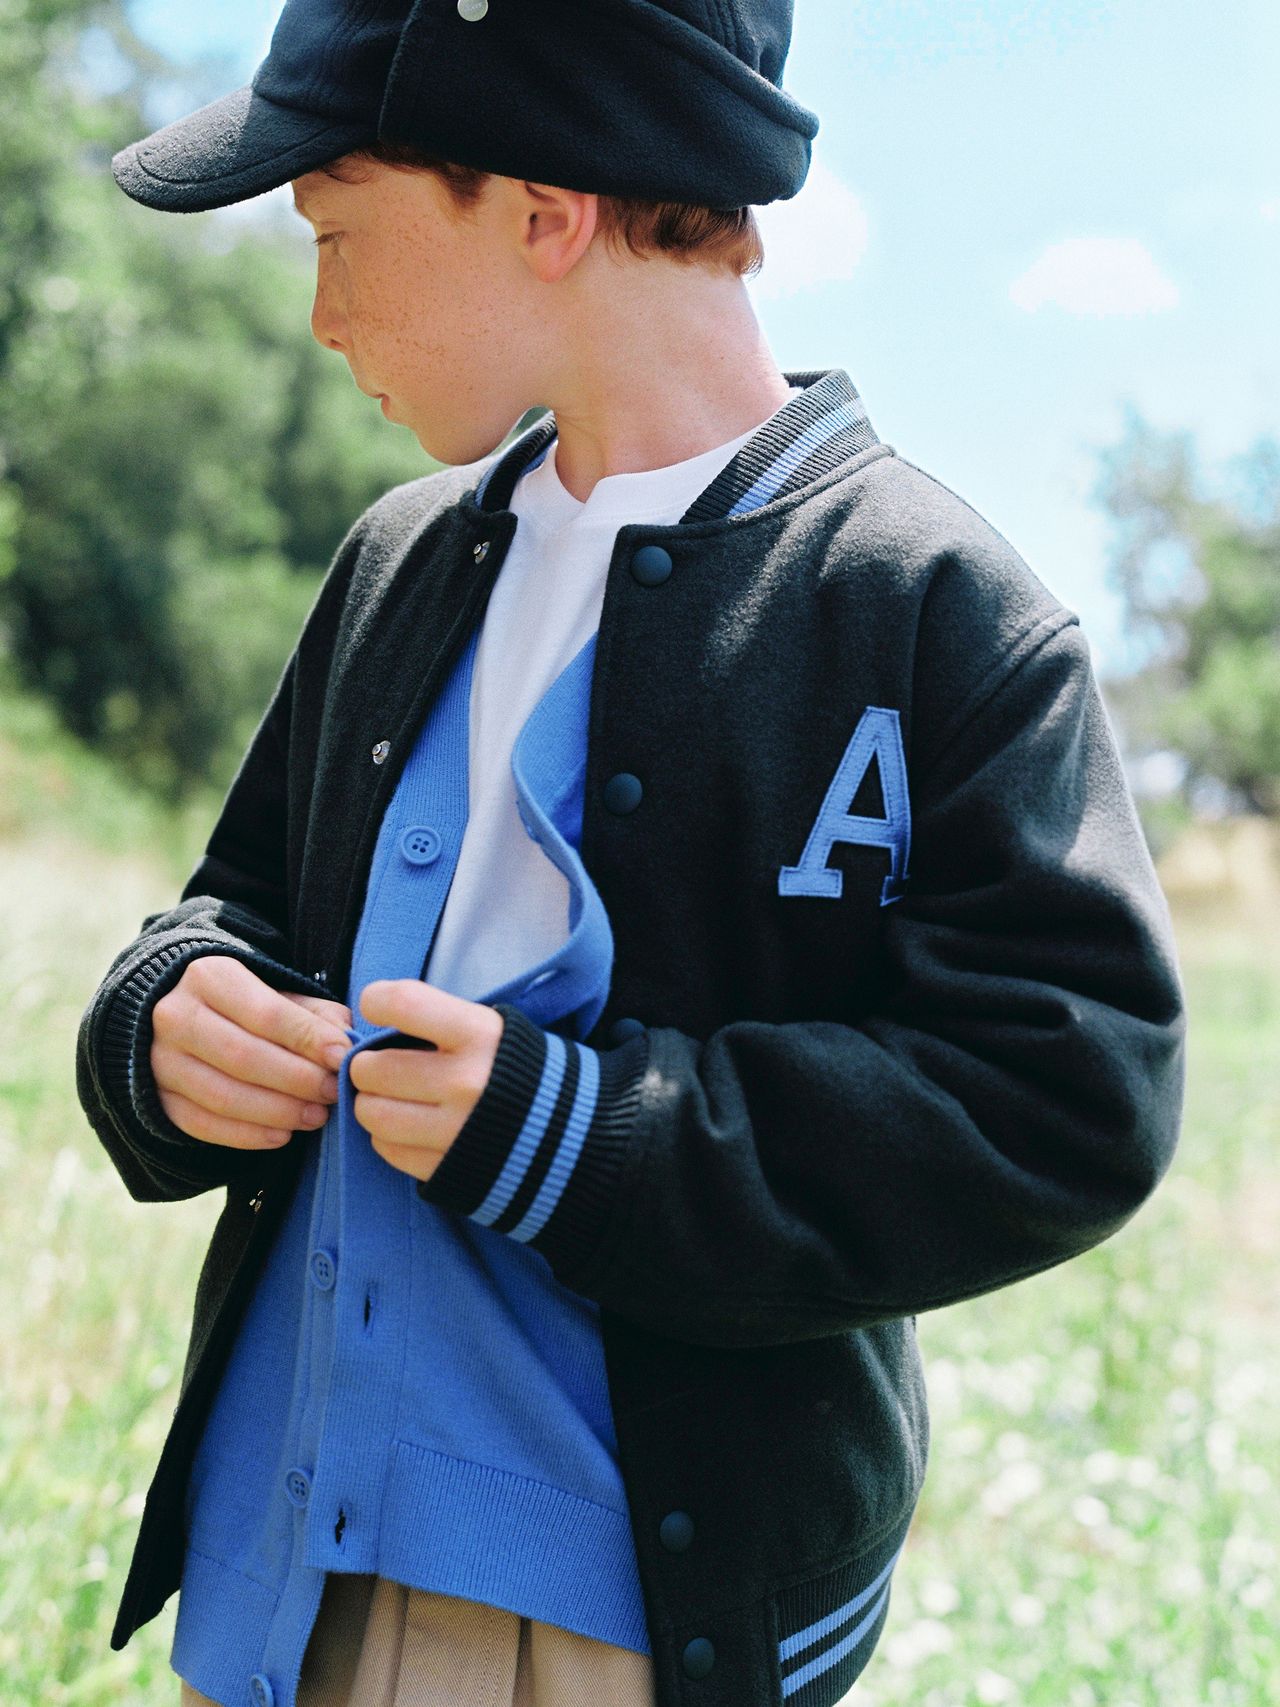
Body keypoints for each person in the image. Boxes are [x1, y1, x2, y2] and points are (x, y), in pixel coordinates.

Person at [76, 2, 1188, 1705]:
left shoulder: (934, 614)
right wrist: (172, 1015)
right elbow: (240, 904)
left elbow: (1069, 1095)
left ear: (543, 206)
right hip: (282, 1557)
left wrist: (591, 1137)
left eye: (338, 233)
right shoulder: (399, 557)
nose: (319, 316)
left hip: (586, 1625)